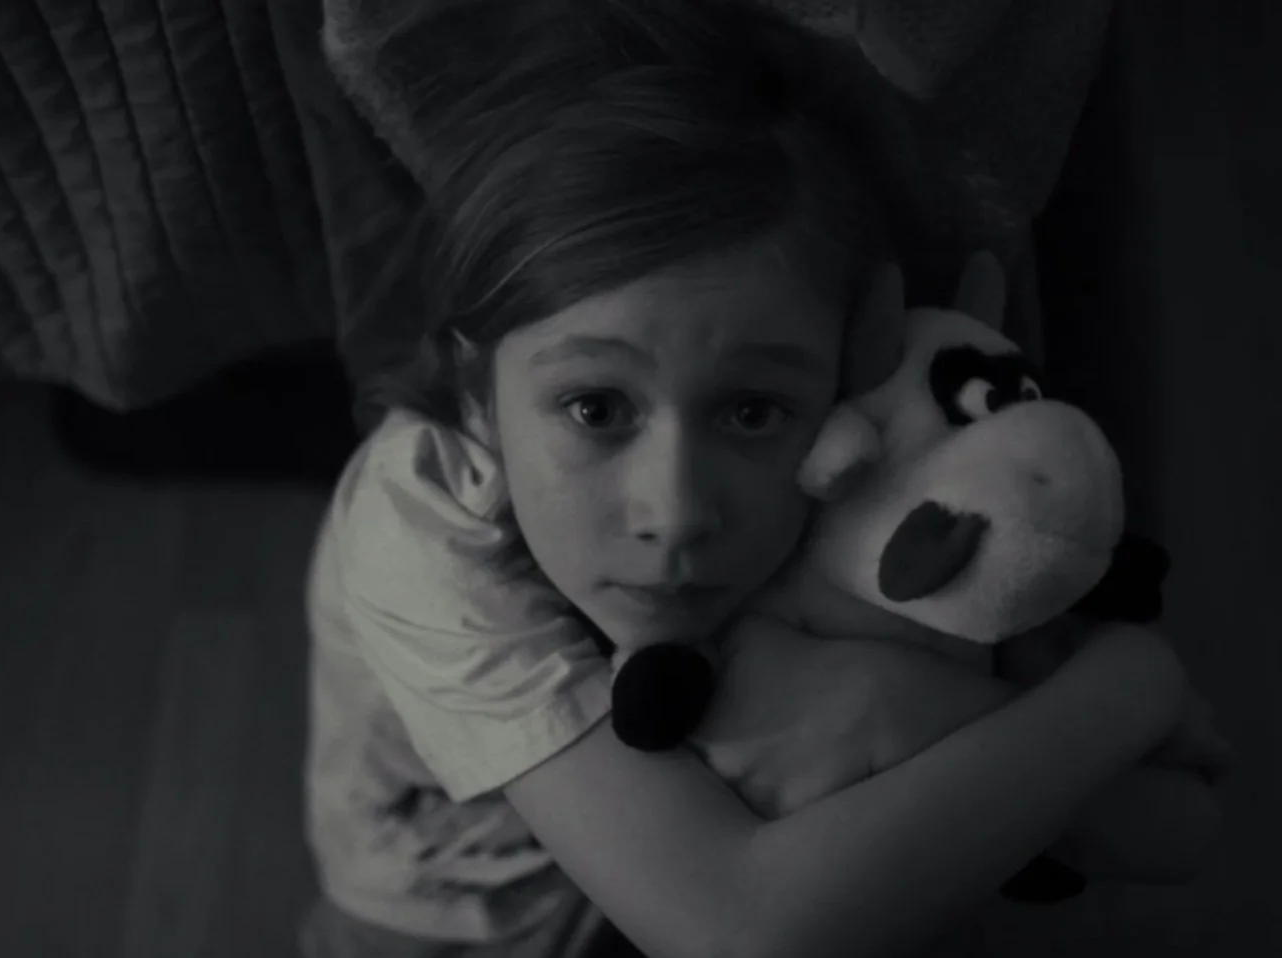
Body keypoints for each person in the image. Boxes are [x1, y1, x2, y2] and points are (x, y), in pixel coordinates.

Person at [303, 2, 1225, 956]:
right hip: (463, 919)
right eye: (594, 410)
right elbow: (737, 933)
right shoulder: (420, 512)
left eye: (750, 412)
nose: (677, 514)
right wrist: (1110, 683)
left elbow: (1172, 834)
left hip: (776, 849)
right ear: (478, 391)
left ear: (853, 367)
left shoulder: (880, 431)